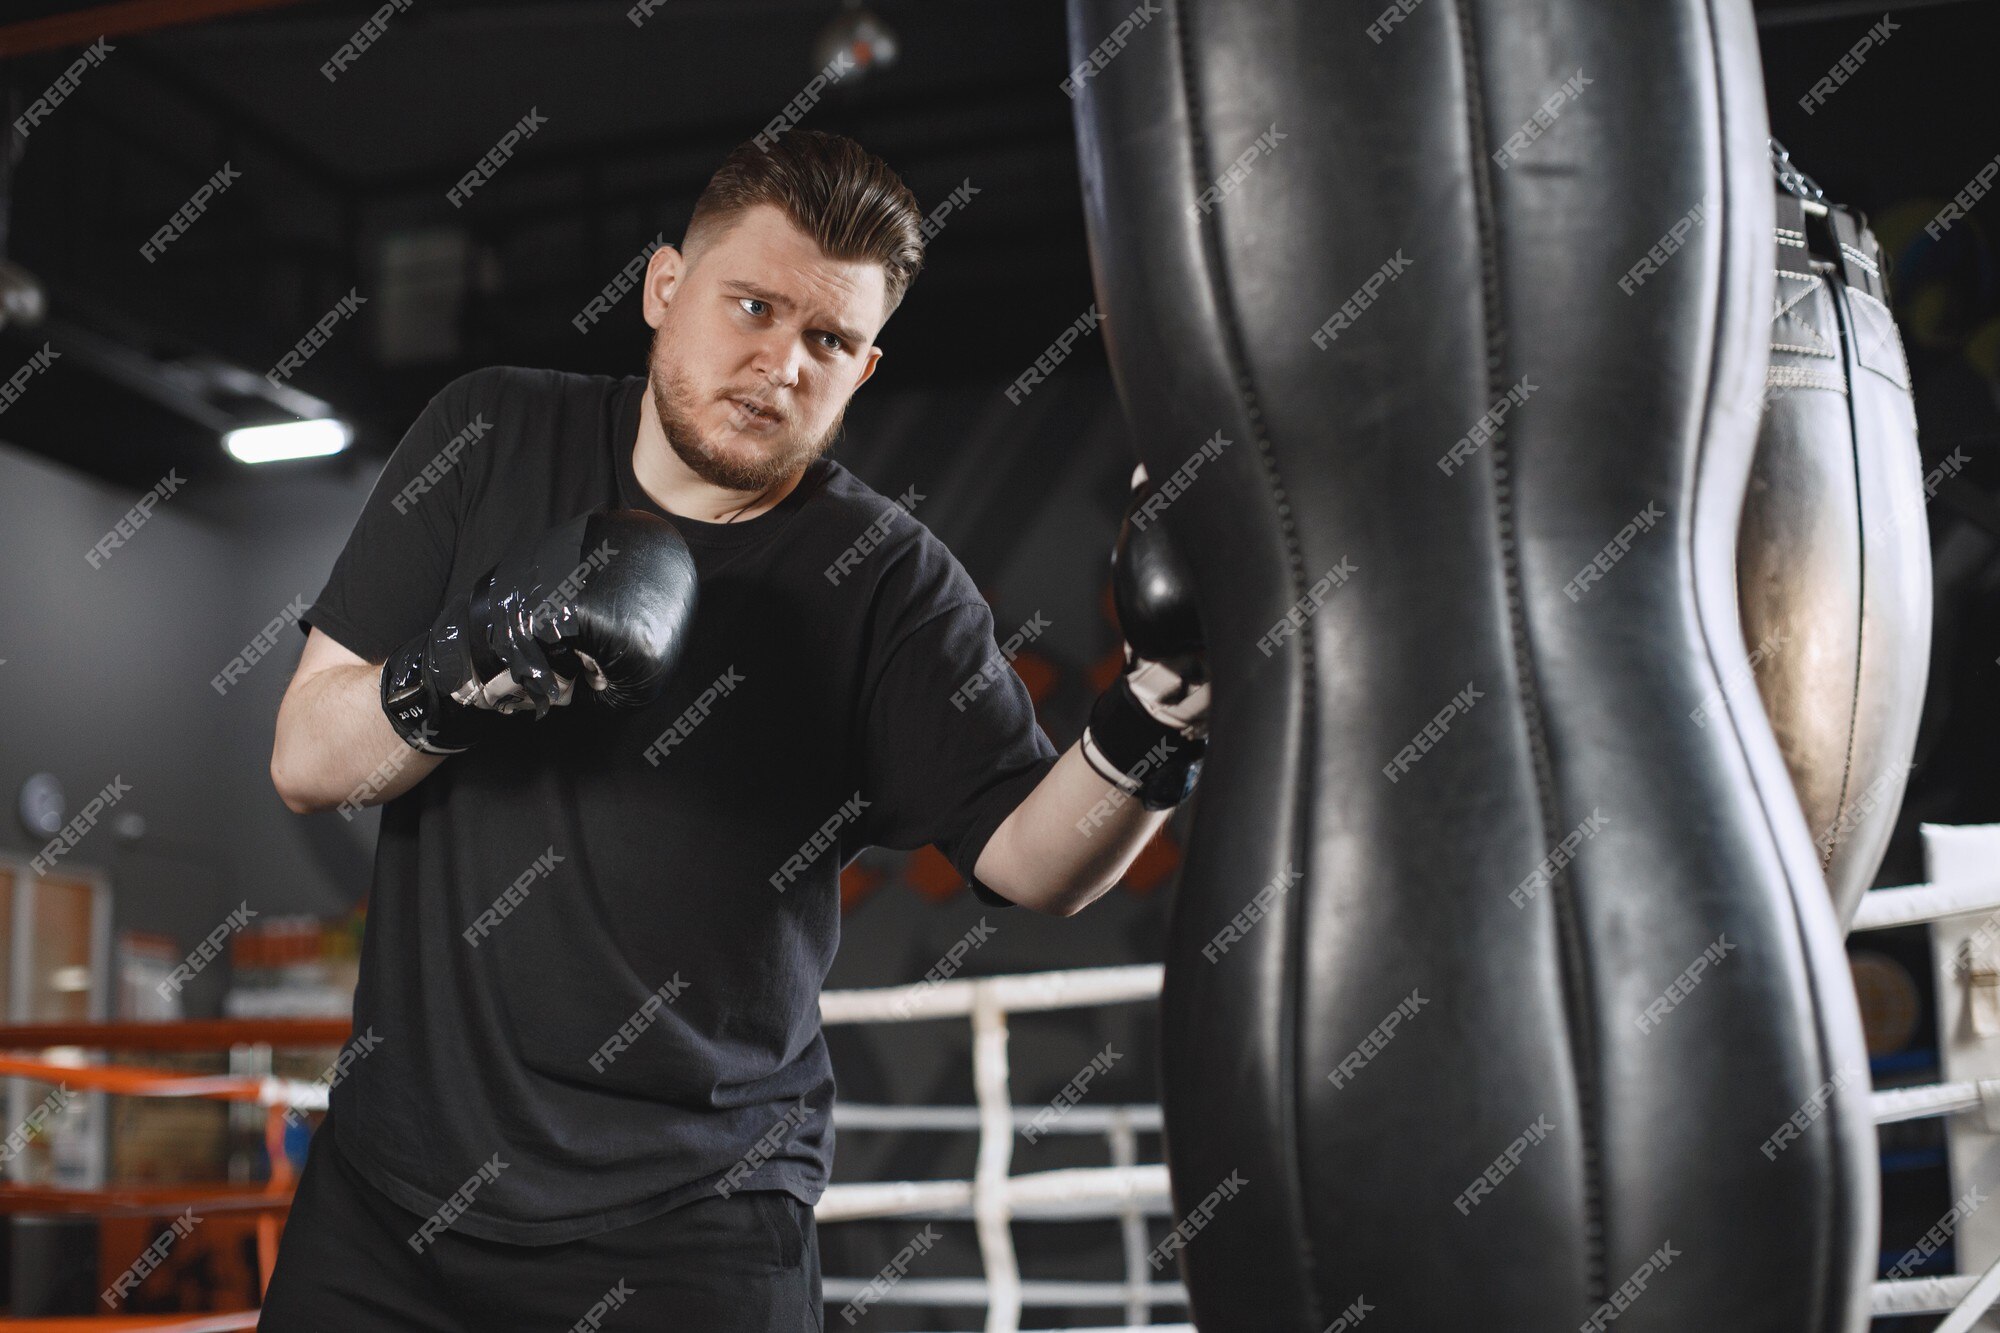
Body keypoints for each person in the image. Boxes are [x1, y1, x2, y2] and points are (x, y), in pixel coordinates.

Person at [262, 128, 1208, 1331]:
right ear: (665, 288)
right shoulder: (489, 434)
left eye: (827, 340)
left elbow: (1029, 861)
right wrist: (476, 660)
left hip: (689, 1228)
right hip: (392, 1202)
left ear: (864, 370)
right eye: (750, 307)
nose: (781, 364)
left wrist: (1161, 709)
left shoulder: (888, 584)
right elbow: (305, 758)